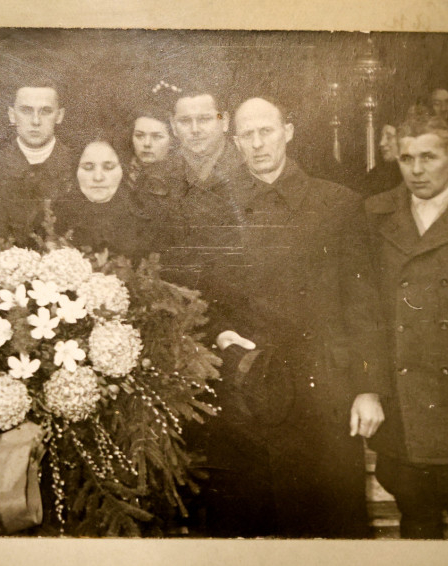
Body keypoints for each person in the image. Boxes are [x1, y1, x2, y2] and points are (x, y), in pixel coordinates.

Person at [164, 97, 386, 538]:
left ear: (288, 132)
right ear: (235, 142)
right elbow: (196, 298)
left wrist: (368, 387)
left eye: (266, 131)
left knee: (327, 531)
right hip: (245, 392)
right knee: (247, 532)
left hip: (321, 395)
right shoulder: (209, 209)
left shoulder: (338, 204)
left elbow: (362, 303)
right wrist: (221, 337)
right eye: (247, 135)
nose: (258, 143)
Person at [364, 114, 448, 539]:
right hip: (406, 406)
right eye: (407, 159)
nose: (416, 170)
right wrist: (370, 387)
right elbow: (364, 311)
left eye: (428, 157)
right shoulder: (375, 215)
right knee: (416, 520)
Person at [0, 80, 74, 244]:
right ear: (12, 115)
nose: (35, 121)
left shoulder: (79, 168)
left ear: (59, 116)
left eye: (45, 111)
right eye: (26, 111)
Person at [53, 137, 158, 261]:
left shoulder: (145, 219)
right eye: (88, 167)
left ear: (123, 170)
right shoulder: (53, 217)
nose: (98, 177)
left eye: (108, 167)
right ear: (76, 171)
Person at [169, 89, 243, 195]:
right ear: (173, 125)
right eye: (185, 121)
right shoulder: (159, 173)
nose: (195, 129)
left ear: (224, 120)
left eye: (204, 119)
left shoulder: (249, 167)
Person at [125, 106, 186, 219]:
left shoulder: (183, 179)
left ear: (172, 142)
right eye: (139, 136)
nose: (147, 143)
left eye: (157, 137)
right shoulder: (121, 173)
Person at [360, 123, 403, 197]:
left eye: (389, 137)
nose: (381, 143)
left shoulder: (410, 173)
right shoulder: (374, 175)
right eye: (381, 137)